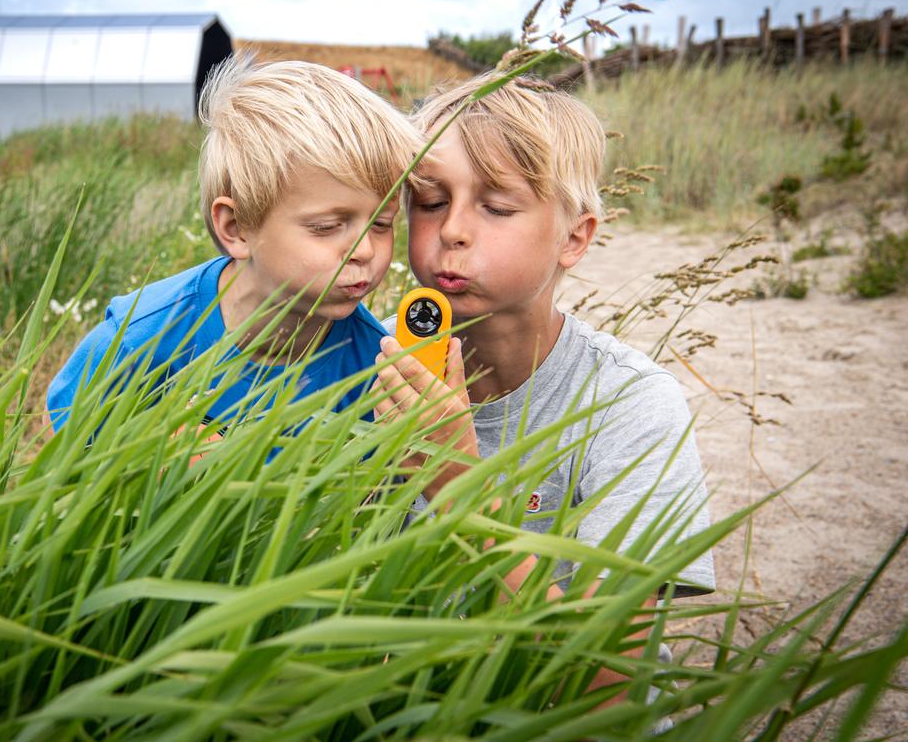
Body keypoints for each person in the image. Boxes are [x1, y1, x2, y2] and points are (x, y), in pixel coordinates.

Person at [372, 72, 715, 710]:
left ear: (574, 238)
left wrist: (459, 488)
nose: (453, 231)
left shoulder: (630, 406)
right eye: (430, 201)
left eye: (497, 207)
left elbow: (610, 685)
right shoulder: (361, 368)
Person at [47, 58, 424, 434]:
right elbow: (58, 449)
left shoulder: (375, 365)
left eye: (382, 224)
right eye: (326, 227)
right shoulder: (144, 340)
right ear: (237, 228)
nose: (365, 251)